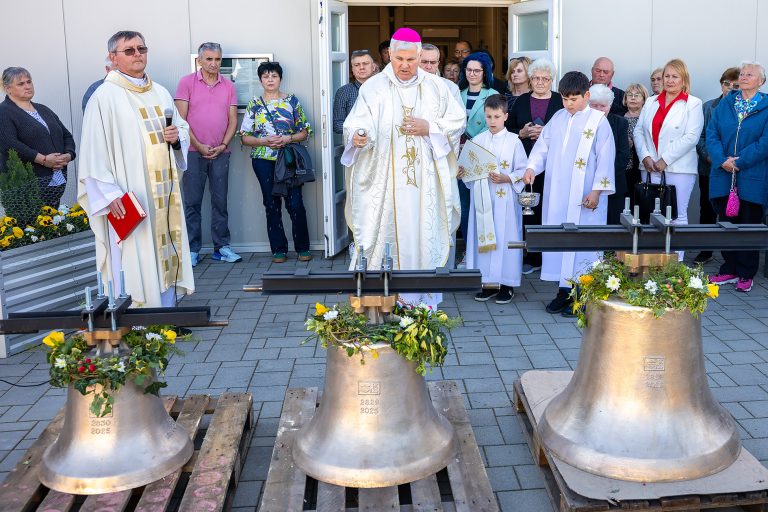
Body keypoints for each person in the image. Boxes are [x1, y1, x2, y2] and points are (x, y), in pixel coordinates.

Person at [342, 27, 465, 306]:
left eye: (412, 59)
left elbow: (458, 122)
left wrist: (430, 127)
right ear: (389, 56)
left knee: (422, 233)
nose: (406, 65)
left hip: (425, 185)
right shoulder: (373, 88)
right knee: (381, 233)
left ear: (420, 56)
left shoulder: (438, 88)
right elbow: (356, 123)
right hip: (384, 182)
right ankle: (380, 300)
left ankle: (422, 300)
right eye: (400, 59)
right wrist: (359, 135)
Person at [77, 30, 194, 308]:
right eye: (129, 51)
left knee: (164, 249)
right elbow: (93, 151)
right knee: (134, 254)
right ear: (113, 58)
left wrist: (177, 137)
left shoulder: (160, 92)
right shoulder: (104, 97)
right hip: (129, 196)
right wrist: (108, 194)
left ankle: (166, 315)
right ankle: (138, 322)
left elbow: (182, 128)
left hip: (163, 195)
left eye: (141, 48)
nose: (137, 55)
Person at [522, 71, 615, 315]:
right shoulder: (558, 117)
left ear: (587, 95)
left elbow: (606, 158)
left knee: (583, 242)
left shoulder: (598, 121)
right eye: (564, 99)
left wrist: (596, 191)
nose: (568, 104)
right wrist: (532, 167)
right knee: (561, 240)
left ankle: (583, 294)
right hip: (558, 193)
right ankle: (564, 291)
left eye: (573, 99)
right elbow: (543, 147)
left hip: (585, 196)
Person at [175, 42, 240, 267]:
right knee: (192, 202)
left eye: (218, 59)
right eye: (209, 59)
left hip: (221, 152)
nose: (214, 64)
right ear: (200, 61)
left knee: (220, 202)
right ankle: (193, 249)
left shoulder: (229, 86)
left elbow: (233, 120)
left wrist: (222, 145)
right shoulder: (186, 83)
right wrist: (200, 145)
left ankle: (221, 248)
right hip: (193, 152)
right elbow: (181, 120)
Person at [240, 62, 312, 264]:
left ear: (280, 78)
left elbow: (305, 130)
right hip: (263, 160)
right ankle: (278, 249)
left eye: (274, 76)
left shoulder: (291, 101)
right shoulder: (254, 104)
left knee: (295, 203)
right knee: (272, 204)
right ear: (260, 80)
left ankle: (303, 247)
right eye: (265, 76)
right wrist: (263, 140)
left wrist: (288, 139)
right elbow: (244, 137)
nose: (270, 80)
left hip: (289, 159)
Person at [707, 61, 768, 293]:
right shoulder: (727, 103)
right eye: (742, 73)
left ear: (760, 81)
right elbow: (711, 133)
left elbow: (765, 143)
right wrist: (722, 160)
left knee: (749, 224)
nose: (743, 77)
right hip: (724, 174)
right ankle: (729, 269)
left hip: (752, 175)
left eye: (749, 74)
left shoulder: (766, 106)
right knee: (726, 223)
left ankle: (746, 273)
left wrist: (740, 162)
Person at [633, 58, 703, 261]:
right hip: (649, 167)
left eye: (675, 76)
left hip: (678, 168)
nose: (670, 80)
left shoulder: (693, 103)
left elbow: (691, 137)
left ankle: (676, 261)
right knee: (652, 214)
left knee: (677, 215)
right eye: (667, 76)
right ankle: (654, 259)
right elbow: (638, 131)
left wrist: (665, 159)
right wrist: (645, 156)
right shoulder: (650, 101)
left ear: (684, 80)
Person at [463, 94, 527, 304]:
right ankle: (487, 282)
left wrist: (507, 178)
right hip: (483, 199)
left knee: (506, 238)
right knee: (484, 236)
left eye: (496, 116)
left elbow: (523, 170)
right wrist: (463, 172)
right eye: (489, 116)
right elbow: (469, 171)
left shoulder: (514, 141)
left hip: (506, 200)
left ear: (506, 116)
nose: (492, 121)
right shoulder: (478, 141)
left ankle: (506, 284)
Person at [505, 58, 563, 274]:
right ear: (530, 79)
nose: (540, 82)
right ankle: (530, 256)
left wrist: (547, 134)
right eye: (536, 78)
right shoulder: (520, 102)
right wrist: (521, 133)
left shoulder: (560, 101)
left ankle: (549, 256)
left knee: (549, 208)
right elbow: (507, 130)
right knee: (527, 209)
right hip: (525, 164)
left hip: (552, 166)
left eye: (545, 78)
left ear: (551, 80)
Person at [0, 67, 76, 208]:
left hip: (56, 179)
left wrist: (68, 155)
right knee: (31, 226)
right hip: (26, 186)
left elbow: (66, 135)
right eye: (21, 84)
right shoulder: (4, 112)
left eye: (29, 82)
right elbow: (9, 144)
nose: (27, 86)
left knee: (51, 222)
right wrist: (44, 160)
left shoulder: (43, 109)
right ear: (7, 88)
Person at [695, 67, 740, 264]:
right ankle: (705, 250)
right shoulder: (708, 107)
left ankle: (731, 254)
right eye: (726, 84)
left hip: (736, 169)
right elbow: (700, 137)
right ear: (721, 84)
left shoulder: (745, 109)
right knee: (707, 209)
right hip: (710, 168)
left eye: (735, 85)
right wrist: (713, 158)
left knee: (732, 211)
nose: (730, 88)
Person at [458, 52, 499, 262]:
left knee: (481, 203)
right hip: (458, 156)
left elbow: (493, 126)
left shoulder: (492, 94)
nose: (472, 74)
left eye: (477, 70)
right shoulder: (457, 93)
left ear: (485, 72)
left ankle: (484, 249)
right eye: (469, 70)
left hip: (479, 155)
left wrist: (471, 141)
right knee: (464, 207)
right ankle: (468, 251)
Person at [589, 84, 629, 225]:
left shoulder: (620, 123)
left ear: (610, 105)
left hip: (614, 185)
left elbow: (623, 155)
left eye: (603, 106)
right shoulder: (580, 123)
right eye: (595, 106)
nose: (599, 110)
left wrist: (603, 174)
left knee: (612, 227)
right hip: (586, 184)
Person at [333, 50, 376, 134]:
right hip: (356, 143)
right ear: (352, 69)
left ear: (374, 67)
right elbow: (337, 125)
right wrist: (359, 131)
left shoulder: (383, 89)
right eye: (357, 65)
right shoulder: (344, 92)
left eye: (365, 63)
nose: (361, 67)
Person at [623, 83, 649, 203]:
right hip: (623, 168)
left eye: (637, 95)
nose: (633, 98)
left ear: (644, 99)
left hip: (642, 167)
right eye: (630, 95)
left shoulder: (648, 119)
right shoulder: (618, 117)